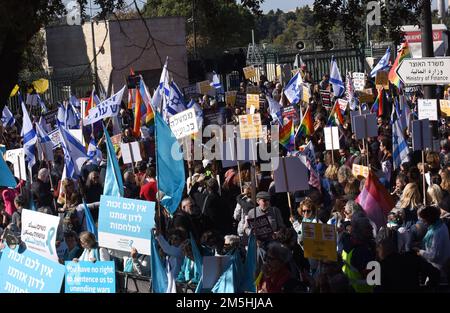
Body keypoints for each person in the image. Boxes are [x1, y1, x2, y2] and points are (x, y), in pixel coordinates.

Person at [415, 205, 450, 278]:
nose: (421, 221)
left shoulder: (436, 232)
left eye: (422, 218)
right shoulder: (439, 225)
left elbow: (433, 256)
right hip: (438, 265)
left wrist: (420, 251)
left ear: (428, 218)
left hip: (438, 268)